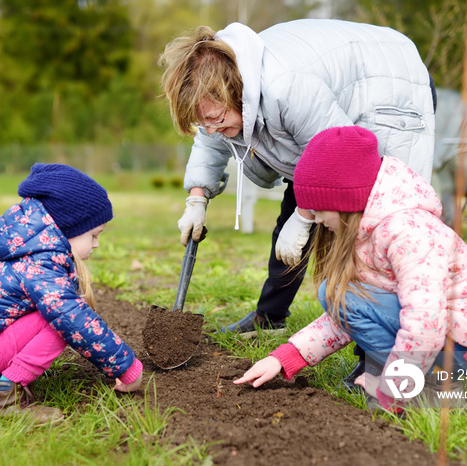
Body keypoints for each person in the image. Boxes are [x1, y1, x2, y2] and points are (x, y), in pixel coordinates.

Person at [159, 19, 437, 347]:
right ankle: (270, 316)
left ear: (240, 93)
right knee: (291, 215)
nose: (211, 128)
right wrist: (197, 199)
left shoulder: (286, 86)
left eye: (217, 119)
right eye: (201, 121)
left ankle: (375, 355)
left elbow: (335, 152)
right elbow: (210, 138)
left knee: (371, 226)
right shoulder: (223, 87)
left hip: (389, 84)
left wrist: (305, 217)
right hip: (329, 117)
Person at [233, 126, 467, 414]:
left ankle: (431, 390)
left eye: (317, 210)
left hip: (466, 347)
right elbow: (345, 316)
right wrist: (284, 358)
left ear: (341, 200)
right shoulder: (369, 229)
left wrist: (392, 389)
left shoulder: (408, 233)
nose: (315, 220)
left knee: (337, 293)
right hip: (449, 338)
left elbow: (424, 320)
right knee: (338, 293)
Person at [0, 163, 143, 426]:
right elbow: (74, 320)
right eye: (93, 235)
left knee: (57, 312)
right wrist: (126, 368)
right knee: (62, 321)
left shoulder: (30, 250)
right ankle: (3, 400)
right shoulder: (41, 265)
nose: (96, 244)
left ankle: (0, 382)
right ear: (68, 227)